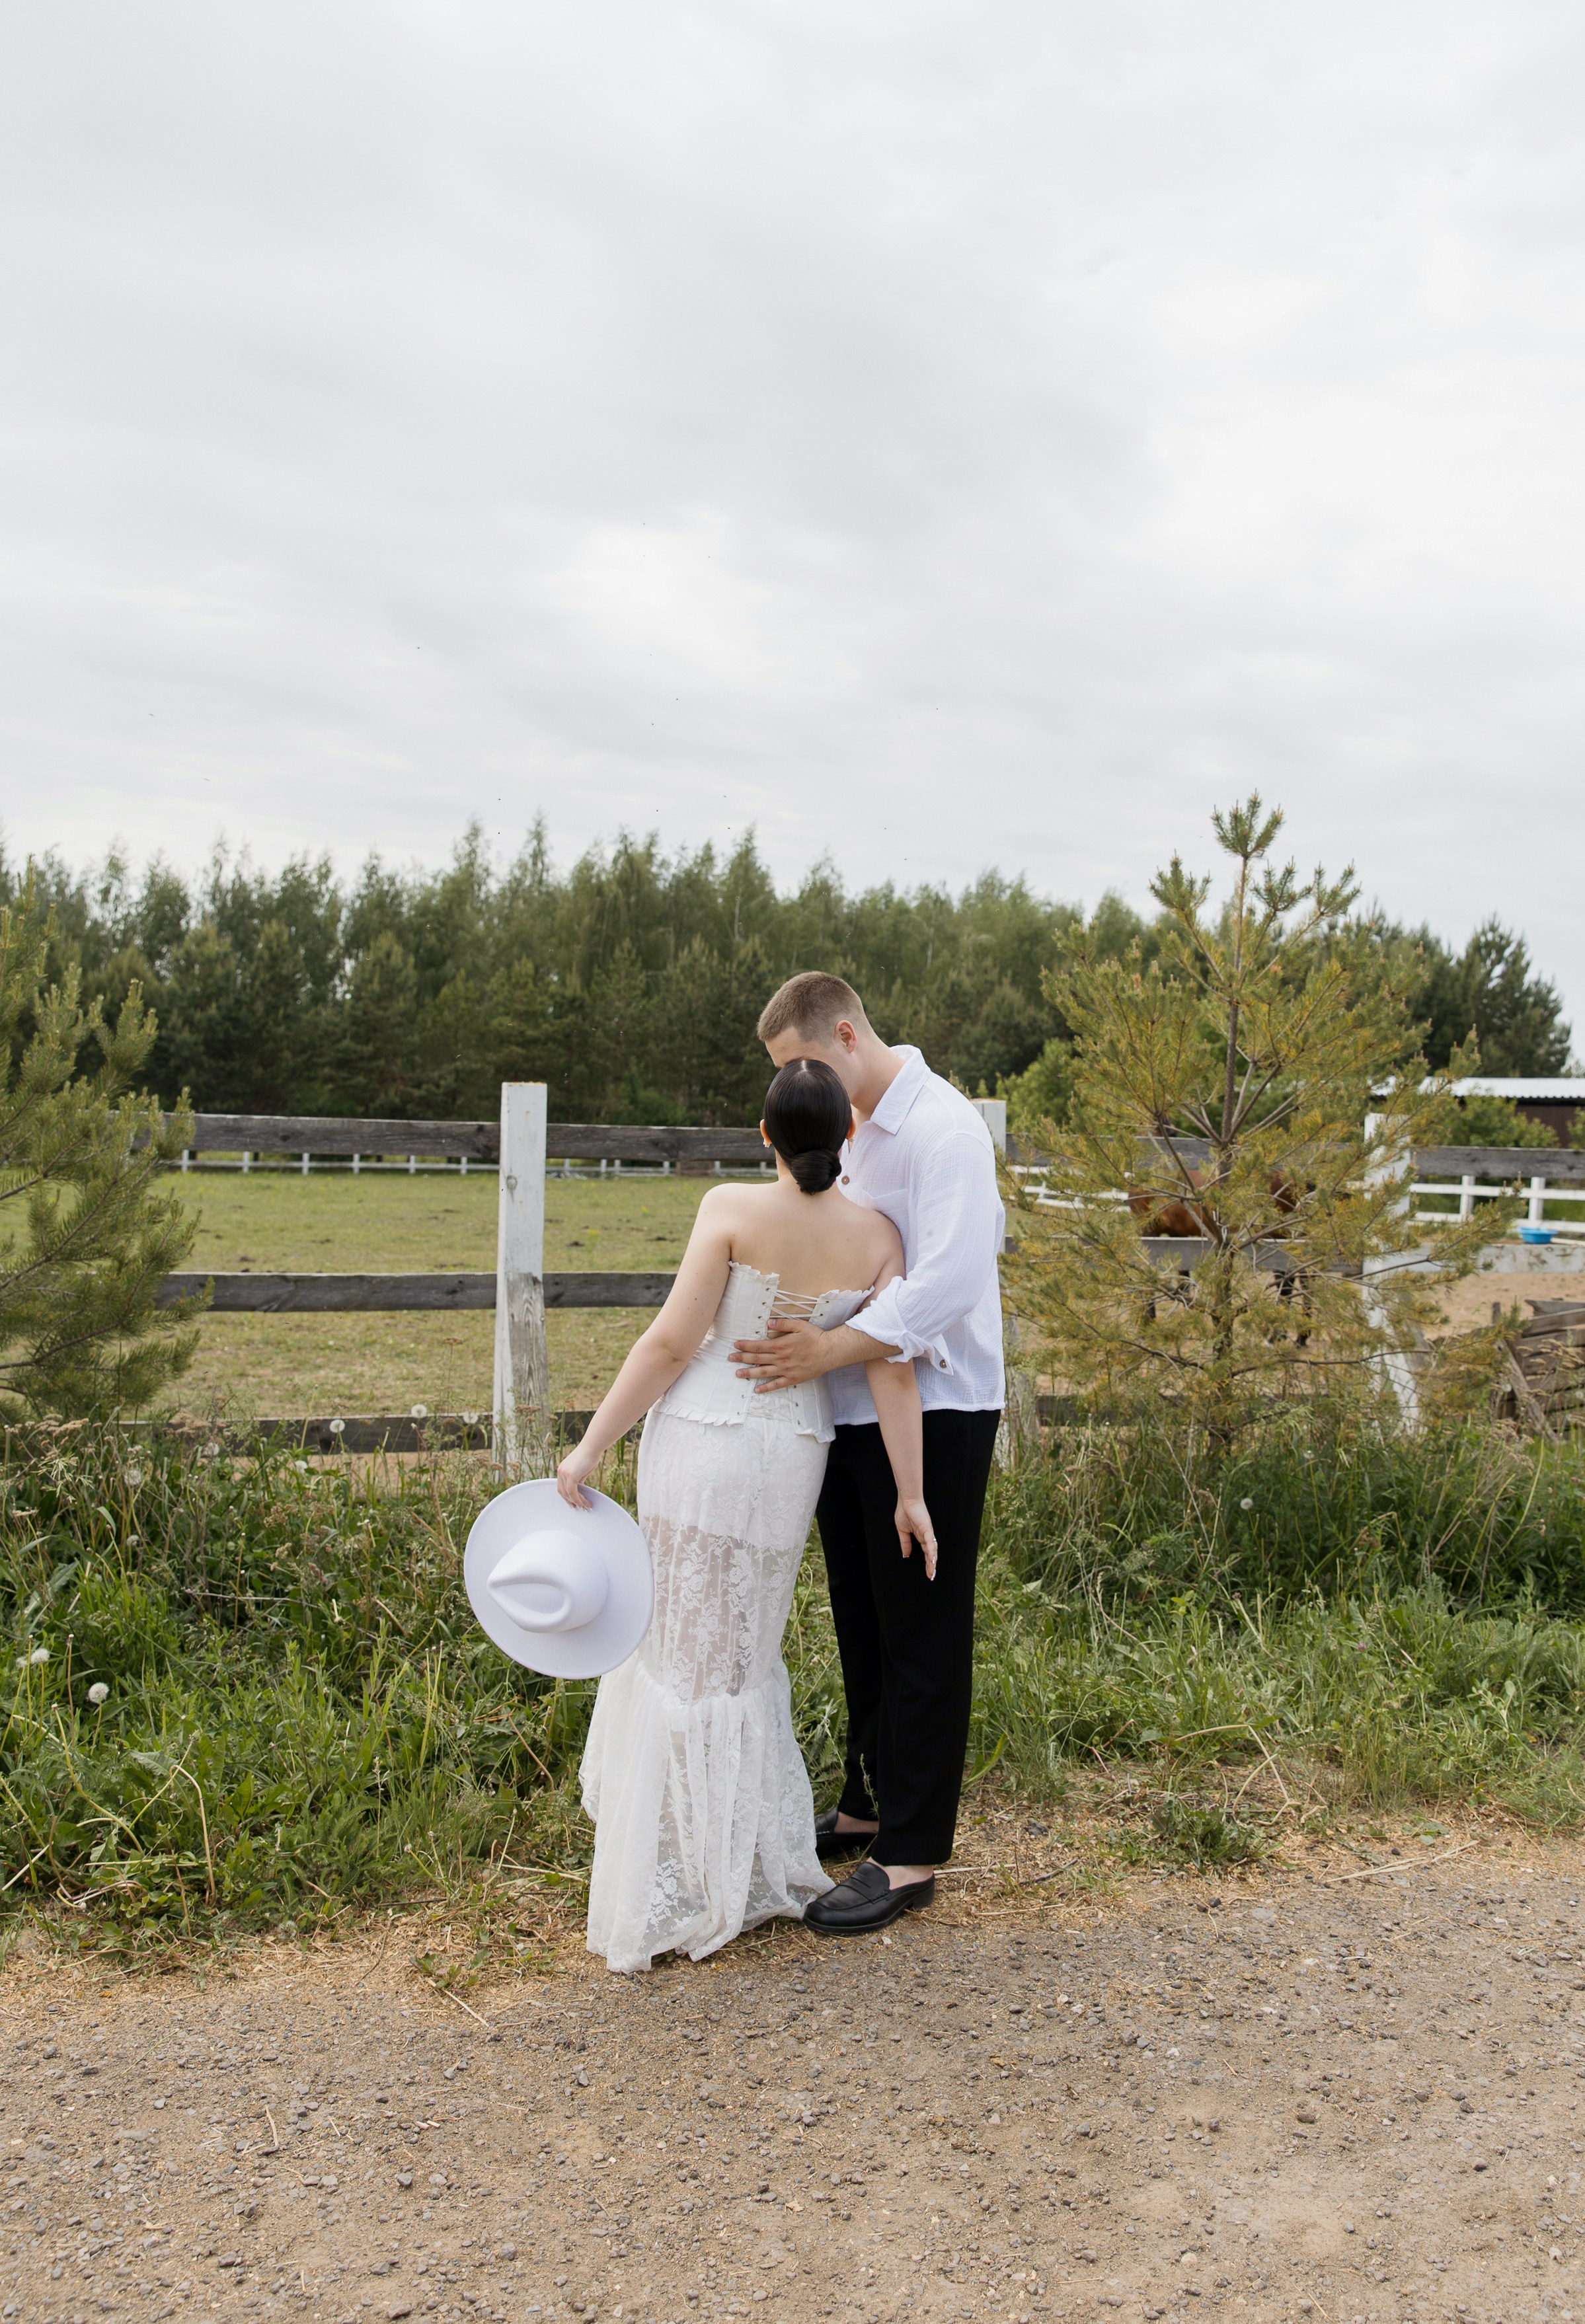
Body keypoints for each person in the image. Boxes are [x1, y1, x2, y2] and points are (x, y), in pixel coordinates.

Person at [555, 1057, 939, 1976]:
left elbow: (670, 1343)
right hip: (791, 1454)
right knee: (740, 1654)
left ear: (764, 1135)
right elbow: (891, 1369)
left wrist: (590, 1446)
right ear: (847, 1136)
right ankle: (734, 1868)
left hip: (701, 1442)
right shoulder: (878, 1238)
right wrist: (911, 1492)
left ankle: (678, 1881)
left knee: (680, 1650)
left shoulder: (728, 1207)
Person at [732, 972, 1005, 1936]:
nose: (795, 1084)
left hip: (936, 1408)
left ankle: (913, 1850)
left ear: (846, 1034)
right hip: (847, 1408)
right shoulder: (846, 1133)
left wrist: (827, 1347)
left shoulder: (942, 1129)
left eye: (802, 1062)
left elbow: (950, 1282)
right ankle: (866, 1801)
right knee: (861, 1614)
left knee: (921, 1624)